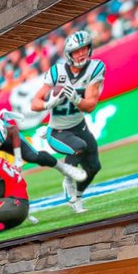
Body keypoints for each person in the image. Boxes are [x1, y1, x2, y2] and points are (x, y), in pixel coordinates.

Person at [29, 27, 107, 214]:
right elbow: (34, 103)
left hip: (80, 127)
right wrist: (49, 104)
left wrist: (75, 99)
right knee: (79, 146)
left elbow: (90, 106)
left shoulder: (95, 68)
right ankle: (68, 179)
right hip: (58, 131)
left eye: (84, 48)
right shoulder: (57, 71)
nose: (82, 54)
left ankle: (76, 198)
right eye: (77, 51)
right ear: (69, 54)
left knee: (94, 167)